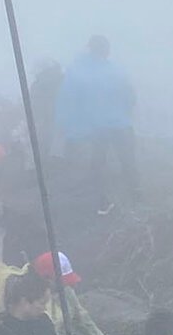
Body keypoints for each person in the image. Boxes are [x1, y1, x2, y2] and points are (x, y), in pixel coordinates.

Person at [57, 36, 137, 215]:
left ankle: (102, 201)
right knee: (126, 160)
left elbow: (69, 99)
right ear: (105, 50)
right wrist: (124, 113)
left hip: (95, 127)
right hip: (118, 124)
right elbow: (130, 96)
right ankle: (134, 197)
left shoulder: (78, 70)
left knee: (98, 163)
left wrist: (70, 125)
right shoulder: (114, 70)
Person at [33, 251, 116, 335]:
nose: (65, 285)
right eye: (61, 282)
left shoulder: (66, 291)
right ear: (45, 278)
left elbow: (83, 320)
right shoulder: (33, 301)